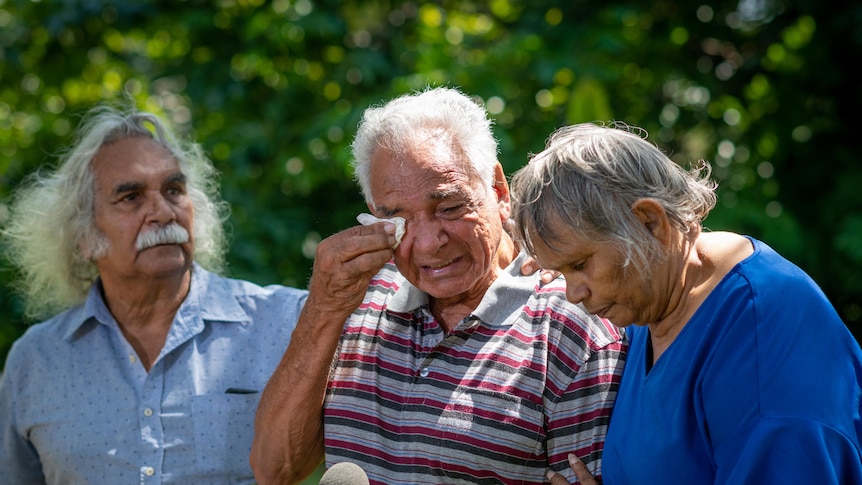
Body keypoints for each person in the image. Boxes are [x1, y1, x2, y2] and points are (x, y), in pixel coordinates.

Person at [250, 87, 627, 485]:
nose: (428, 243)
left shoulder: (571, 325)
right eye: (398, 219)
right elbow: (275, 470)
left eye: (448, 208)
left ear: (498, 189)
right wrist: (323, 309)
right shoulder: (357, 299)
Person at [507, 122, 862, 484]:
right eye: (562, 271)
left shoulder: (759, 348)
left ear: (649, 222)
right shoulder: (658, 300)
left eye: (580, 265)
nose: (572, 294)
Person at [0, 104, 307, 484]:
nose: (162, 211)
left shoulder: (286, 322)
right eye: (131, 197)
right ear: (82, 237)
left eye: (174, 190)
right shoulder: (34, 362)